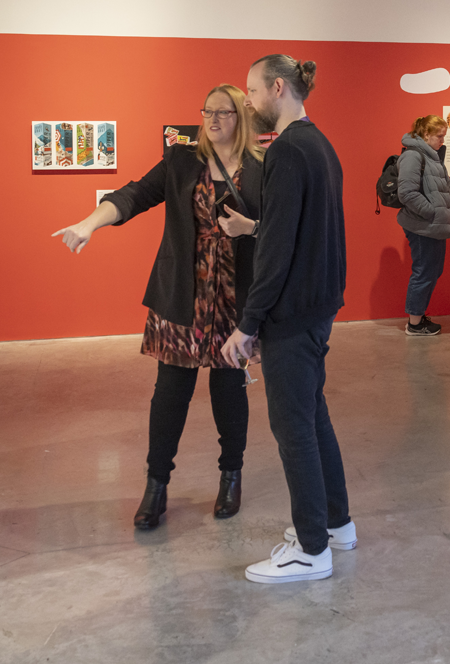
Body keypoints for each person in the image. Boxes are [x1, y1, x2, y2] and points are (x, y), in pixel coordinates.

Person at [52, 84, 263, 530]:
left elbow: (280, 227)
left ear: (241, 117)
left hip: (234, 296)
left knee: (229, 390)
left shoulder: (261, 168)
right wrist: (91, 223)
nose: (213, 120)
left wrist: (252, 228)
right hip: (182, 293)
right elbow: (133, 195)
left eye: (224, 112)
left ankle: (231, 475)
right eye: (207, 111)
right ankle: (156, 484)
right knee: (170, 392)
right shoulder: (181, 160)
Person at [219, 54, 352, 585]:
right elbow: (299, 229)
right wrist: (254, 227)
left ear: (277, 88)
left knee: (293, 427)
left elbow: (277, 252)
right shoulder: (319, 144)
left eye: (252, 91)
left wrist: (248, 324)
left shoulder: (287, 151)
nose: (248, 102)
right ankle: (336, 525)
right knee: (313, 417)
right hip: (317, 307)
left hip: (293, 314)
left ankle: (312, 550)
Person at [396, 114, 450, 337]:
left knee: (432, 270)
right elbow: (407, 193)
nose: (443, 140)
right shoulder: (413, 156)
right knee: (424, 271)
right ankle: (414, 324)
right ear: (425, 134)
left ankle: (418, 315)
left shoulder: (431, 156)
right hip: (422, 225)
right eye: (439, 136)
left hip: (432, 226)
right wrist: (432, 213)